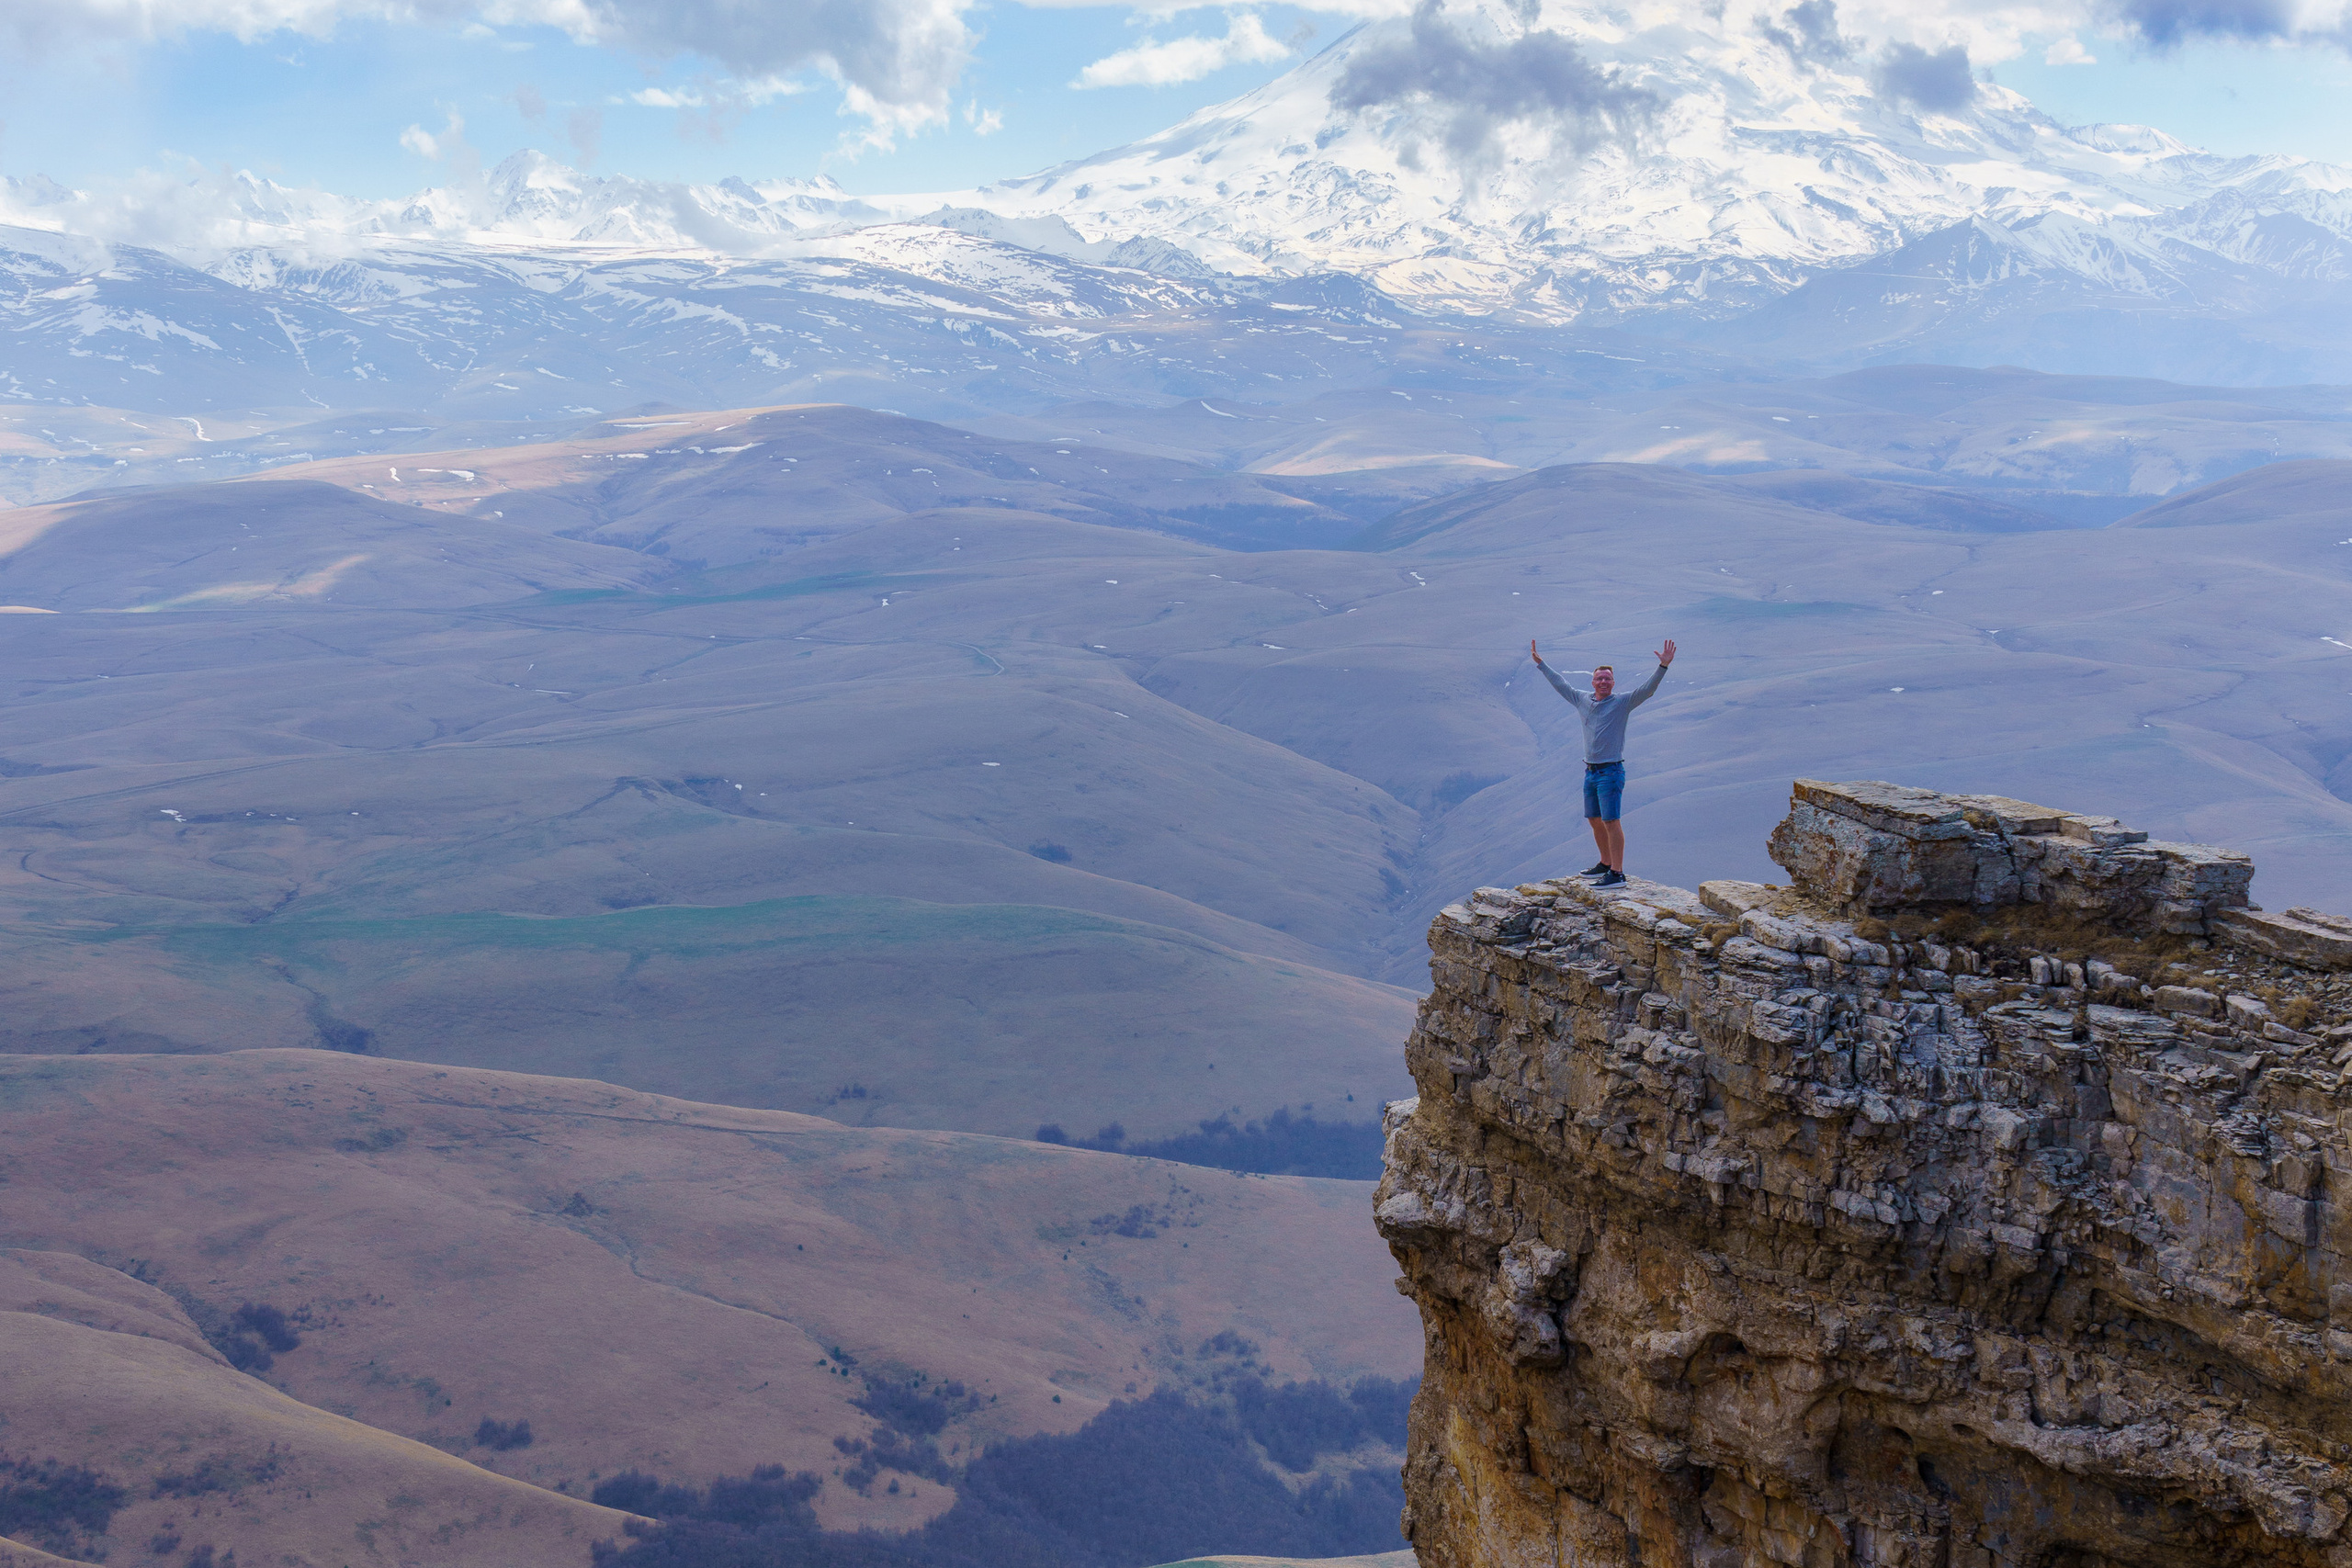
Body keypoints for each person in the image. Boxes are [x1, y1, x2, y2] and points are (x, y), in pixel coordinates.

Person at [1529, 637, 1675, 887]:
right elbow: (1561, 684)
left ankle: (1617, 873)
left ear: (1613, 683)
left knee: (1611, 821)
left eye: (1608, 679)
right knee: (1594, 819)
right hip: (1591, 771)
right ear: (1593, 682)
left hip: (1611, 771)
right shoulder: (1582, 699)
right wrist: (1541, 663)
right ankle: (1605, 863)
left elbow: (1647, 690)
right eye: (1600, 678)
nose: (1604, 682)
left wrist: (1663, 666)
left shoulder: (1622, 702)